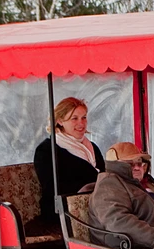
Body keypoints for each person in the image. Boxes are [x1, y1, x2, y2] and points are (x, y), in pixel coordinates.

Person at [31, 97, 104, 238]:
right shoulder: (46, 150)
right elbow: (52, 187)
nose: (81, 123)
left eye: (84, 118)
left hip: (97, 205)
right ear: (60, 121)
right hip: (63, 210)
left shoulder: (92, 147)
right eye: (74, 119)